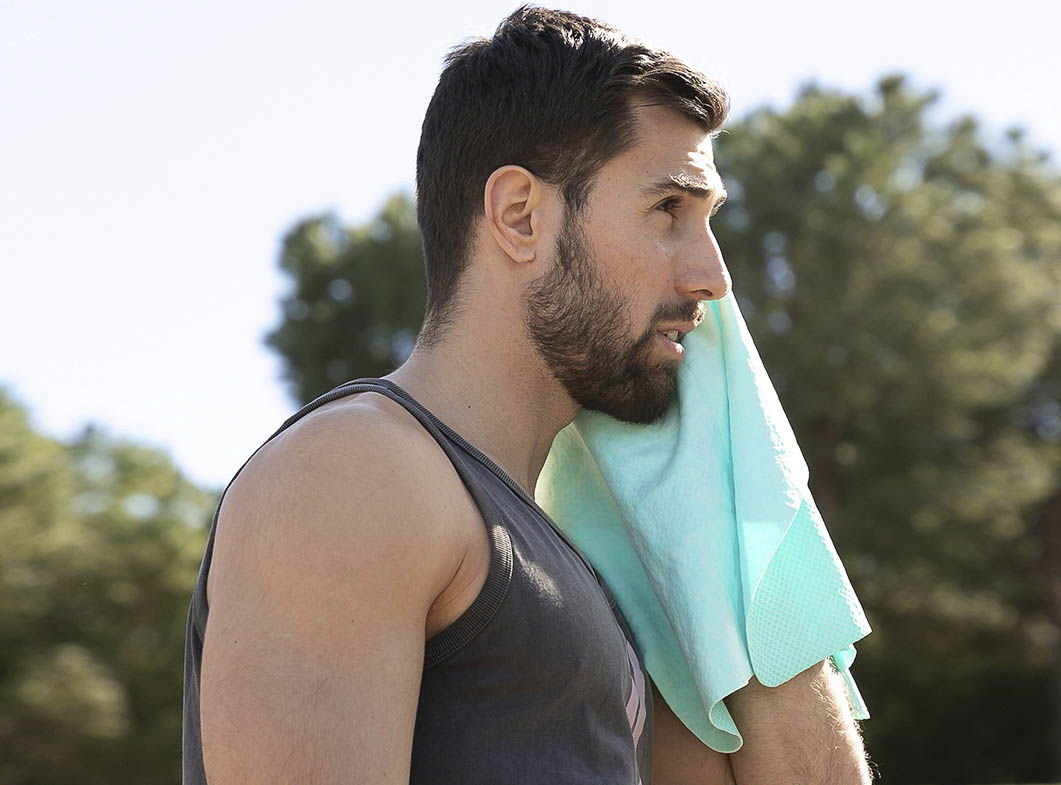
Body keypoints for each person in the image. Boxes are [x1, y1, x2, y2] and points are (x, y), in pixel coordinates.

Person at [183, 6, 872, 784]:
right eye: (667, 210)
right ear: (520, 216)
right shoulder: (354, 471)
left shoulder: (581, 567)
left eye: (708, 220)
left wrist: (730, 519)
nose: (714, 277)